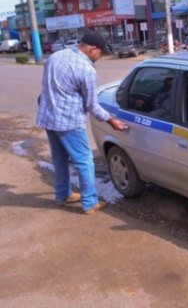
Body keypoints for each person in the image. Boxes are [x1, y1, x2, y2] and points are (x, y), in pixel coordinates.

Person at [36, 33, 127, 215]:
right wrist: (111, 121)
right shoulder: (86, 70)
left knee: (60, 159)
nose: (100, 58)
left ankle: (63, 195)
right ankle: (89, 203)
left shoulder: (56, 56)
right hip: (69, 122)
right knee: (85, 161)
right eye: (100, 53)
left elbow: (46, 87)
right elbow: (91, 105)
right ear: (92, 49)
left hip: (49, 118)